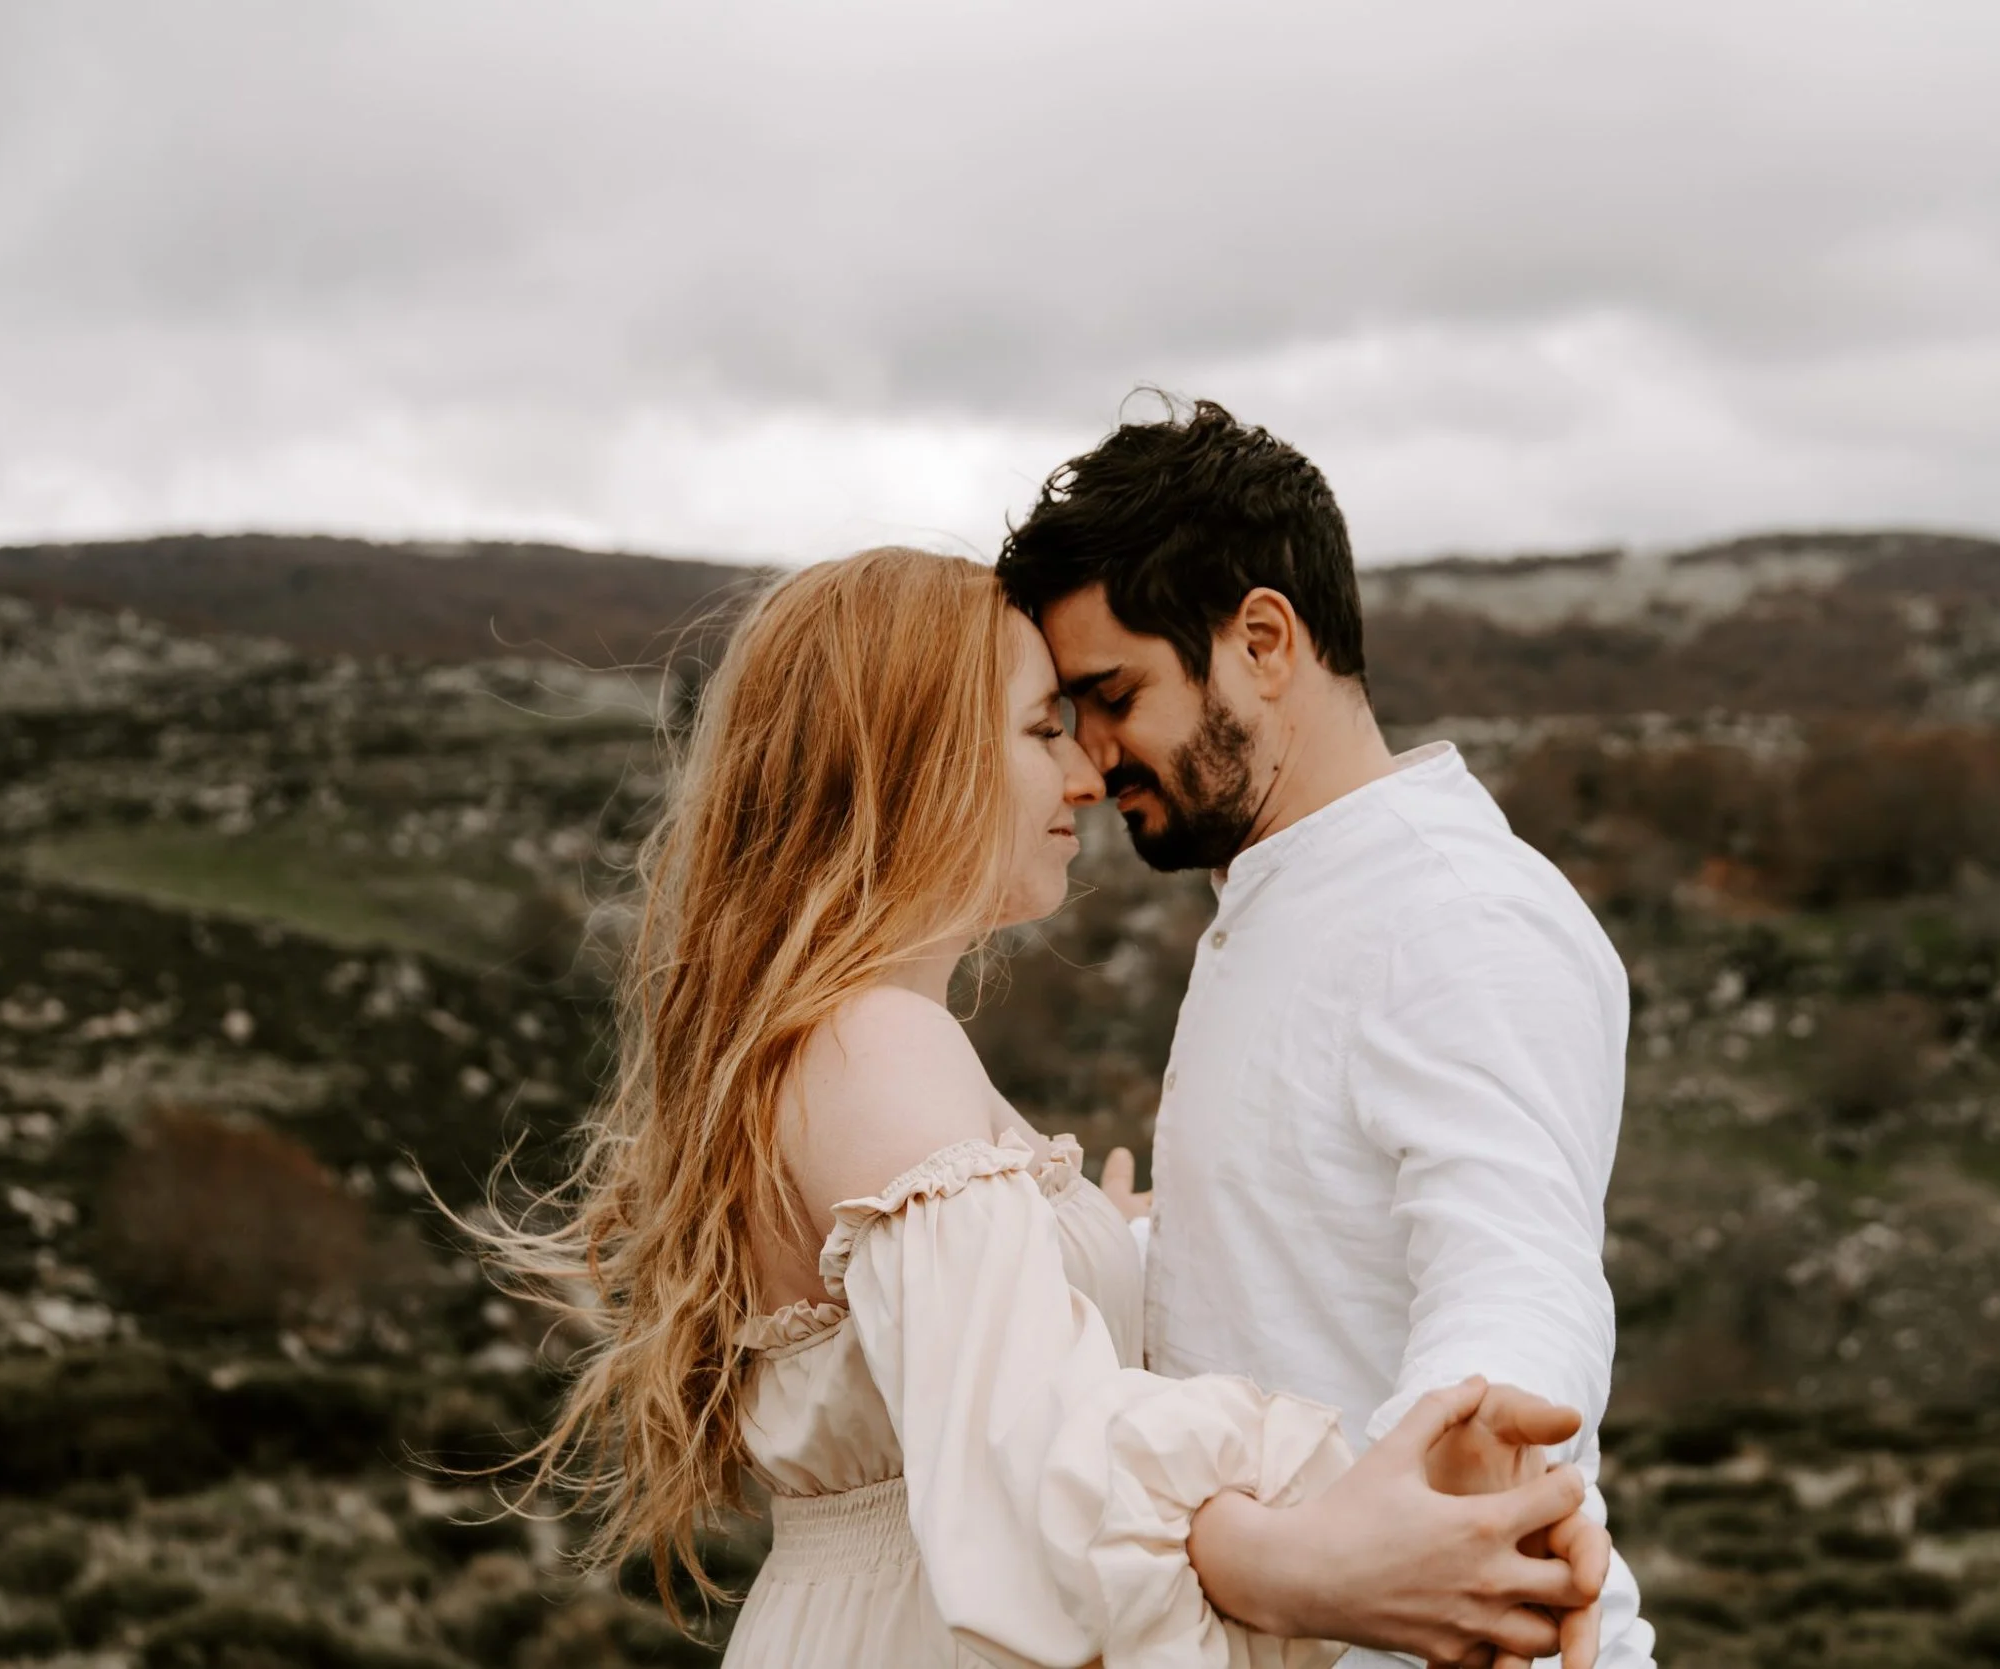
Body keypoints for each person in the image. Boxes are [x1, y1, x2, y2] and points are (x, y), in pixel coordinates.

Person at [473, 547, 1611, 1668]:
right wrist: (1314, 1569)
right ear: (913, 759)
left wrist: (1102, 1243)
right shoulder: (883, 1042)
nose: (1084, 774)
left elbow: (953, 1351)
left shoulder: (841, 1038)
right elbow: (1029, 1450)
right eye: (1042, 728)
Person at [997, 400, 1660, 1669]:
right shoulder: (1282, 900)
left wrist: (1450, 1473)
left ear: (1261, 639)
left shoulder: (1454, 910)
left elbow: (1514, 1268)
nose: (1090, 756)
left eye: (1112, 693)